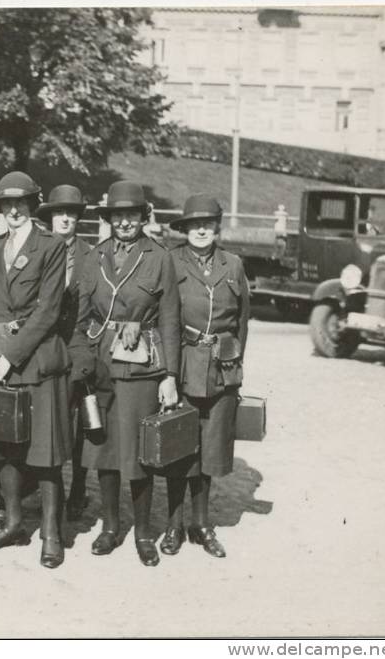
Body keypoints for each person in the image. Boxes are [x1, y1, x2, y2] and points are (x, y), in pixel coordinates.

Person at [0, 171, 73, 569]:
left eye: (21, 203)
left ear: (33, 205)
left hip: (38, 360)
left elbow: (48, 312)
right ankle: (13, 524)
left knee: (44, 454)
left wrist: (7, 357)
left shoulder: (50, 246)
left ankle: (51, 534)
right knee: (6, 449)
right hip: (2, 362)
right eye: (6, 205)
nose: (13, 211)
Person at [77, 180, 181, 567]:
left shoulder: (159, 256)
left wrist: (170, 375)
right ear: (108, 219)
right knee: (104, 450)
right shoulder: (95, 256)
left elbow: (170, 317)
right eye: (117, 216)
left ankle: (141, 532)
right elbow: (83, 312)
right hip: (101, 363)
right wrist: (82, 358)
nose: (124, 222)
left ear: (143, 218)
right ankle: (109, 527)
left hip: (142, 367)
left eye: (131, 215)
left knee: (139, 453)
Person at [160, 195, 249, 559]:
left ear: (217, 228)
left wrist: (236, 362)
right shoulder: (171, 260)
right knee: (180, 449)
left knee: (210, 450)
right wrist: (167, 373)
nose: (200, 230)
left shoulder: (233, 264)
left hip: (222, 368)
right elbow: (162, 318)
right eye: (194, 224)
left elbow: (243, 320)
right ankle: (173, 524)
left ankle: (200, 523)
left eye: (208, 224)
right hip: (184, 365)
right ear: (184, 229)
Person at [35, 185, 95, 522]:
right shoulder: (38, 250)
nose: (65, 218)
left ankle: (78, 488)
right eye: (59, 212)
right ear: (50, 218)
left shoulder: (92, 255)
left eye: (71, 213)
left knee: (81, 424)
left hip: (79, 345)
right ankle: (40, 486)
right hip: (44, 346)